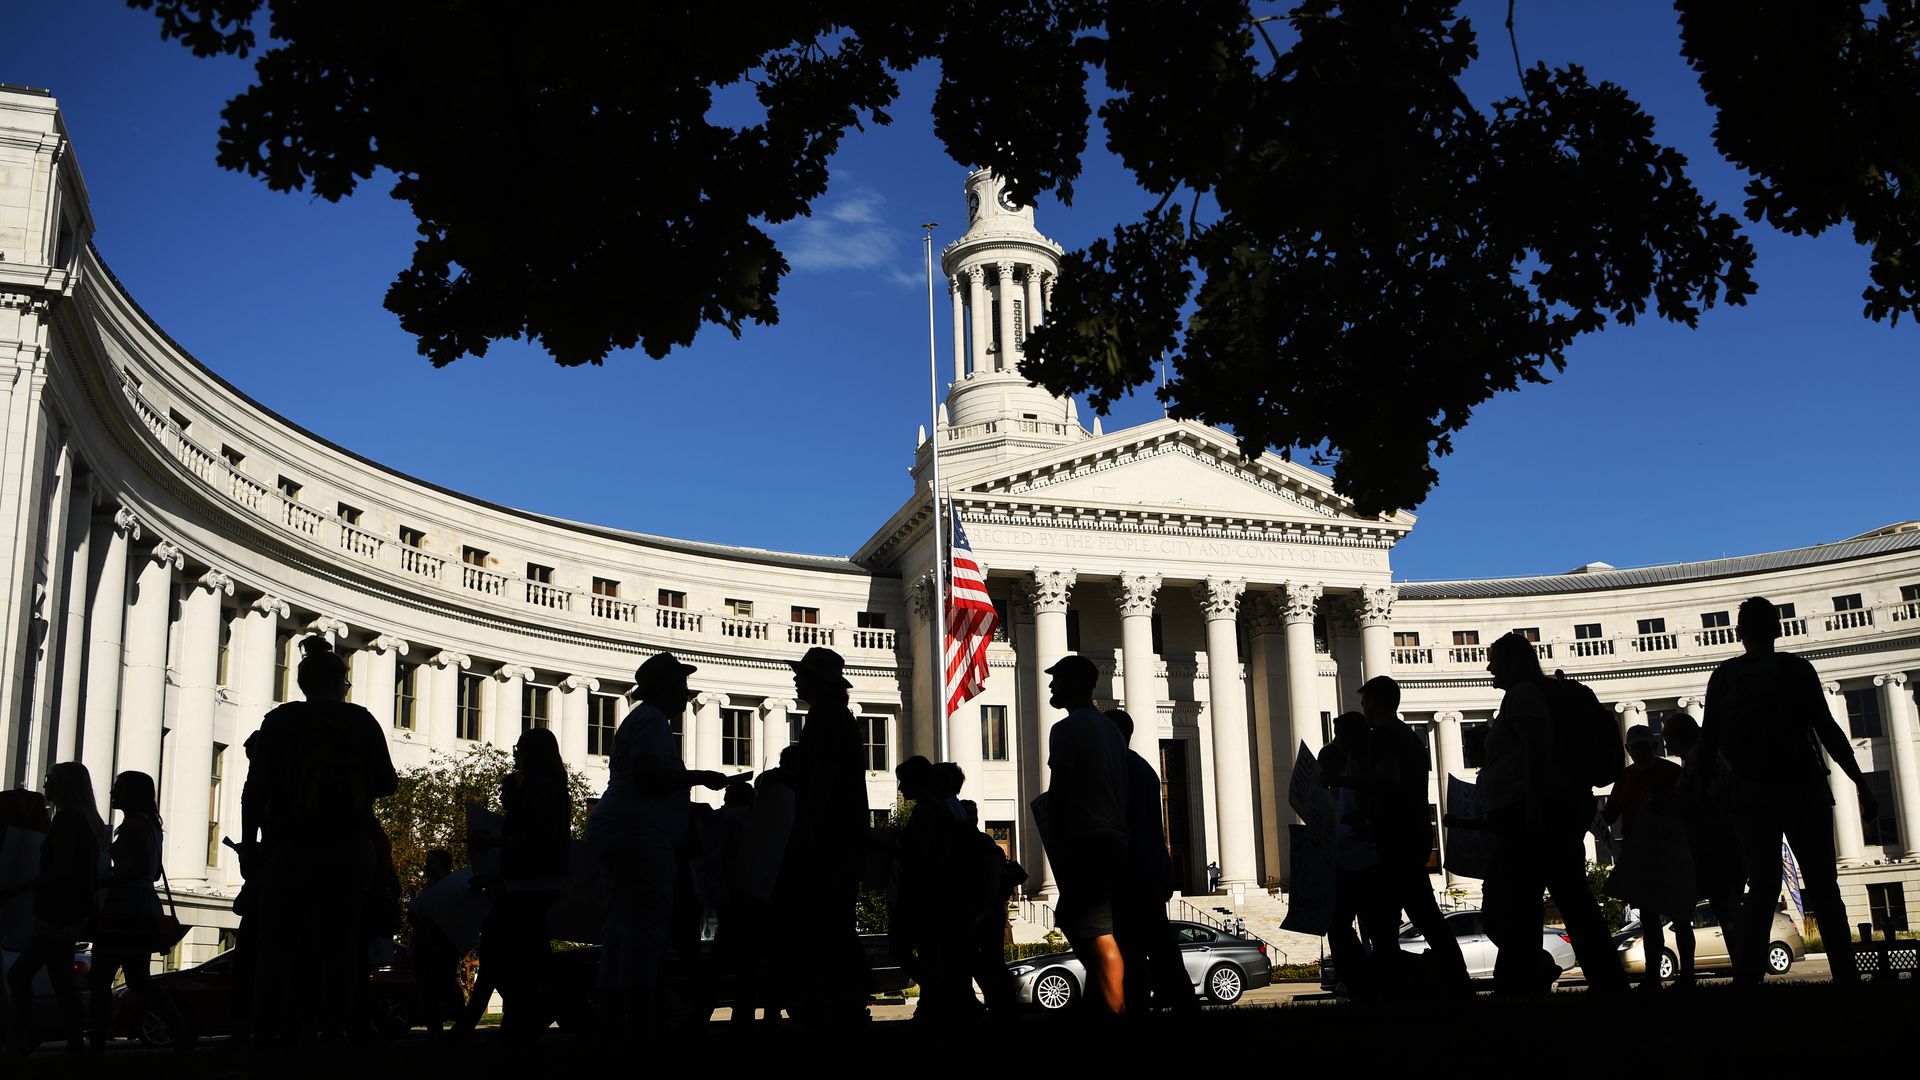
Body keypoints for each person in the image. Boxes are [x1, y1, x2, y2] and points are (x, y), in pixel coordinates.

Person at [1699, 596, 1878, 986]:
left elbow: (1708, 743)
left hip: (1750, 793)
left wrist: (1699, 796)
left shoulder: (1725, 677)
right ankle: (1845, 976)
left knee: (1761, 888)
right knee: (1823, 885)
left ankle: (1747, 978)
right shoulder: (1796, 670)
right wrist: (1861, 783)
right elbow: (1827, 730)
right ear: (1778, 629)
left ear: (1739, 633)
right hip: (1800, 787)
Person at [245, 635, 399, 1043]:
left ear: (302, 683)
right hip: (347, 844)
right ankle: (334, 1029)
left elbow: (254, 788)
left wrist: (250, 845)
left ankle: (267, 1031)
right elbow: (387, 782)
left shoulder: (279, 721)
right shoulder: (360, 721)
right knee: (340, 942)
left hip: (290, 844)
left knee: (276, 944)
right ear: (340, 683)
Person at [586, 651, 726, 1034]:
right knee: (646, 929)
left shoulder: (643, 720)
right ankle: (641, 1022)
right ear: (663, 687)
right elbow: (648, 774)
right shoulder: (652, 720)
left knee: (621, 930)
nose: (686, 693)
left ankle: (615, 1019)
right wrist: (700, 777)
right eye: (681, 684)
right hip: (640, 836)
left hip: (625, 831)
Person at [1479, 632, 1625, 995]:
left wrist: (1531, 807)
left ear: (1511, 662)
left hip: (1534, 815)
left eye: (1494, 659)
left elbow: (1536, 747)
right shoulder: (1532, 694)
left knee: (1514, 906)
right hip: (1550, 810)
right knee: (1562, 899)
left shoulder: (1523, 695)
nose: (1488, 666)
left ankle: (1527, 980)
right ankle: (1598, 980)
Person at [1357, 676, 1471, 996]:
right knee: (1416, 913)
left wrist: (1348, 780)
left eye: (1366, 702)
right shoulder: (1408, 737)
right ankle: (1447, 980)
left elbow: (1388, 783)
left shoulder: (1383, 736)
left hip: (1395, 838)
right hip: (1411, 834)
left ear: (1377, 703)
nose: (1363, 708)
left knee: (1395, 918)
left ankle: (1395, 987)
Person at [779, 647, 871, 1025]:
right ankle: (841, 999)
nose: (796, 680)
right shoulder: (838, 717)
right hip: (841, 836)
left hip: (830, 838)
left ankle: (833, 1001)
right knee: (834, 920)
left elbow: (824, 777)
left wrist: (806, 830)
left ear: (818, 681)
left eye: (802, 674)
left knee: (824, 920)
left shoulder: (825, 717)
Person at [1040, 654, 1128, 1015]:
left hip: (1087, 841)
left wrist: (1054, 831)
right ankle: (1103, 1002)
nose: (1050, 685)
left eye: (1057, 679)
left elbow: (1059, 791)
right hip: (1114, 840)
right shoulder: (1110, 729)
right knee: (1082, 923)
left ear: (1074, 684)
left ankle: (1114, 1009)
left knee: (1096, 931)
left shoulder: (1066, 730)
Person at [478, 727, 572, 1040]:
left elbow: (535, 838)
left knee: (501, 951)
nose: (516, 753)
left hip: (526, 883)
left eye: (520, 748)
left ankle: (530, 1013)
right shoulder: (552, 788)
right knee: (531, 955)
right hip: (539, 882)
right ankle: (533, 1013)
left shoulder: (536, 788)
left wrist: (496, 840)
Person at [2, 762, 102, 1054]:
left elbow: (59, 869)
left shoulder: (67, 820)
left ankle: (19, 1039)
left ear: (63, 785)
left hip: (58, 910)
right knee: (60, 980)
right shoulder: (86, 820)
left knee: (20, 975)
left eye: (49, 780)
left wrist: (17, 888)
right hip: (71, 910)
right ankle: (71, 1044)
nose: (45, 785)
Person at [87, 771, 188, 1053]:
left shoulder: (132, 826)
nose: (112, 792)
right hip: (143, 905)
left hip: (123, 906)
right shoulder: (152, 828)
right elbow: (152, 871)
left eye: (118, 788)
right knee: (138, 977)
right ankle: (180, 1030)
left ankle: (95, 1042)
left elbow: (137, 869)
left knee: (102, 977)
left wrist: (103, 878)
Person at [1106, 709, 1194, 1014]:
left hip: (1129, 871)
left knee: (1131, 946)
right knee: (1158, 944)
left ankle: (1142, 1002)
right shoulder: (1144, 768)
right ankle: (1179, 999)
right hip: (1149, 869)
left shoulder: (1117, 769)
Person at [1603, 726, 1694, 989]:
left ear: (1653, 748)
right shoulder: (1627, 777)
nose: (1640, 752)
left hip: (1670, 851)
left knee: (1678, 919)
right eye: (1635, 748)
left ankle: (1685, 975)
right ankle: (1654, 976)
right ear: (1630, 750)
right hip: (1643, 854)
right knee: (1652, 920)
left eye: (1644, 747)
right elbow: (1610, 815)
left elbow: (1690, 805)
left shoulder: (1671, 772)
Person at [1661, 714, 1743, 955]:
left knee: (1724, 906)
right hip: (1722, 841)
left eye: (1668, 738)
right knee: (1725, 905)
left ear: (1680, 737)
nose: (1666, 744)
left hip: (1716, 843)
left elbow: (1703, 800)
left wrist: (1670, 804)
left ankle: (1744, 968)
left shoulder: (1700, 760)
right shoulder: (1706, 756)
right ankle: (1745, 967)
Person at [1319, 711, 1384, 1001]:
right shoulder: (1341, 773)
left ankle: (1373, 982)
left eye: (1340, 735)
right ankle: (1361, 981)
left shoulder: (1368, 771)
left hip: (1368, 861)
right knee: (1340, 924)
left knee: (1375, 927)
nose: (1336, 742)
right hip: (1345, 860)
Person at [408, 849, 462, 1039]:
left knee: (445, 990)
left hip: (441, 948)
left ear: (444, 867)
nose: (427, 865)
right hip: (424, 947)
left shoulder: (449, 890)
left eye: (432, 862)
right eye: (427, 861)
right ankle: (437, 1036)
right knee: (428, 994)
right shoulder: (427, 890)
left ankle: (462, 1029)